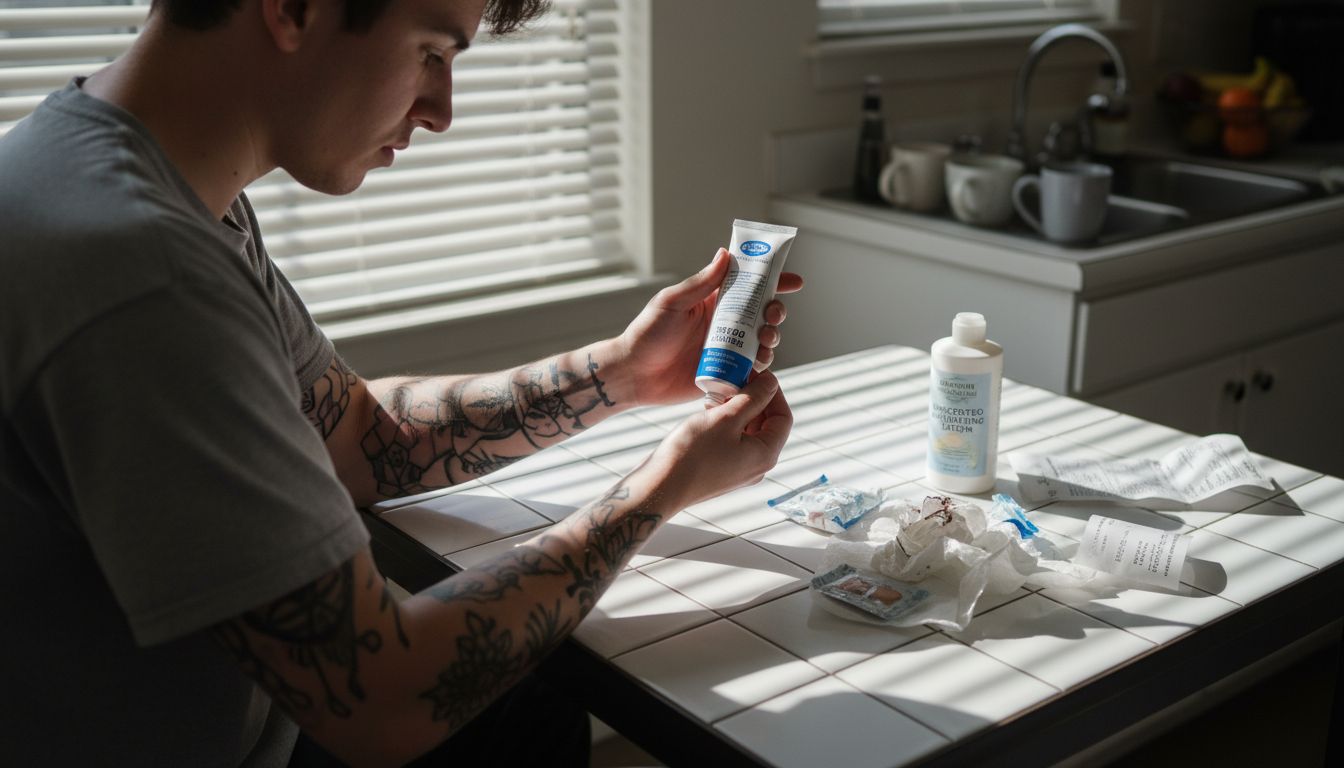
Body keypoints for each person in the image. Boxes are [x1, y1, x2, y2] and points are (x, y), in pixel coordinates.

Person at [0, 0, 802, 766]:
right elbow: (380, 701)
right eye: (431, 51)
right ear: (293, 8)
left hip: (264, 732)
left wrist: (621, 373)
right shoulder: (141, 274)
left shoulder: (136, 170)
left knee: (531, 713)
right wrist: (665, 486)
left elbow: (354, 435)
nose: (442, 110)